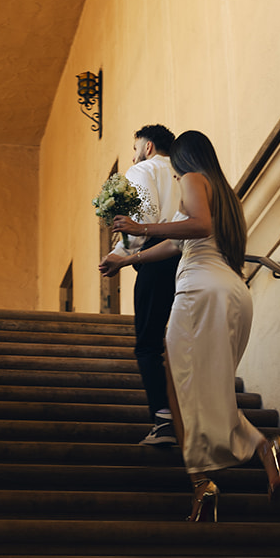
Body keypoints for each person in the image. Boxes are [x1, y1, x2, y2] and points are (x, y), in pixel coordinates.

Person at [106, 129, 280, 520]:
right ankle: (264, 450)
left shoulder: (193, 180)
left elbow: (198, 226)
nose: (174, 173)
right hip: (232, 293)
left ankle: (204, 484)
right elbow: (179, 242)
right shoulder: (226, 194)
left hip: (200, 292)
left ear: (184, 158)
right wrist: (129, 260)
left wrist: (140, 229)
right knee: (207, 389)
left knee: (178, 386)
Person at [99, 124, 181, 447]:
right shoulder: (185, 172)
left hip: (157, 260)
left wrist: (121, 254)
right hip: (190, 260)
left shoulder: (142, 170)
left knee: (148, 343)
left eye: (135, 150)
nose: (133, 158)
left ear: (147, 147)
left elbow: (142, 220)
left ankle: (163, 421)